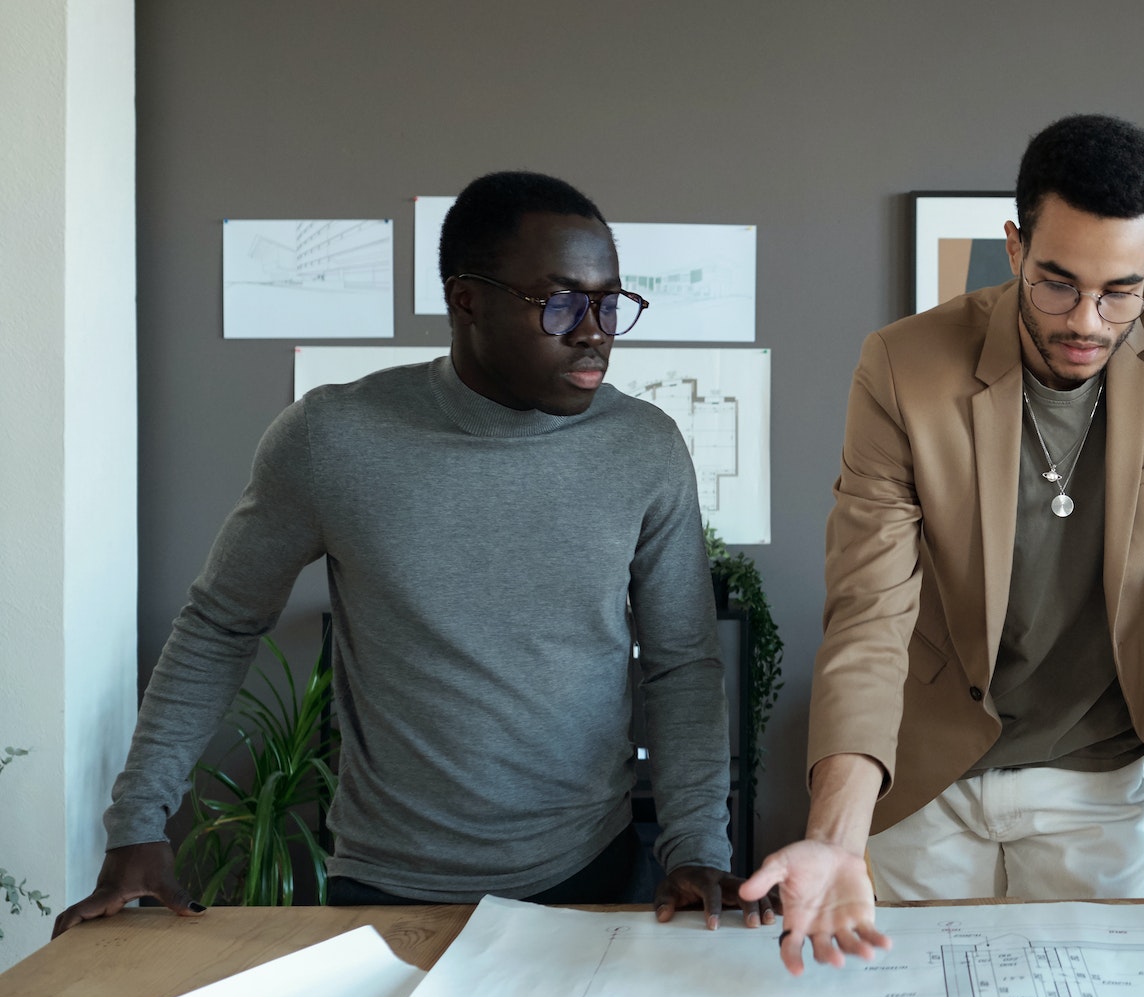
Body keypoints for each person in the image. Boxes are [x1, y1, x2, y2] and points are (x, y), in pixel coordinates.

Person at [740, 114, 1144, 977]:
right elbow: (869, 613)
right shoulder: (902, 366)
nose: (1087, 319)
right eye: (1056, 283)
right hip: (927, 777)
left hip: (1098, 780)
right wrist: (834, 836)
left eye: (1120, 289)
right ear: (1013, 247)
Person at [56, 171, 762, 933]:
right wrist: (139, 821)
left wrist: (694, 844)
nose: (593, 329)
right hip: (386, 887)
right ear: (466, 299)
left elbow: (682, 662)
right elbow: (218, 626)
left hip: (591, 872)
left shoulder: (643, 447)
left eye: (608, 302)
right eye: (560, 301)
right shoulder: (333, 438)